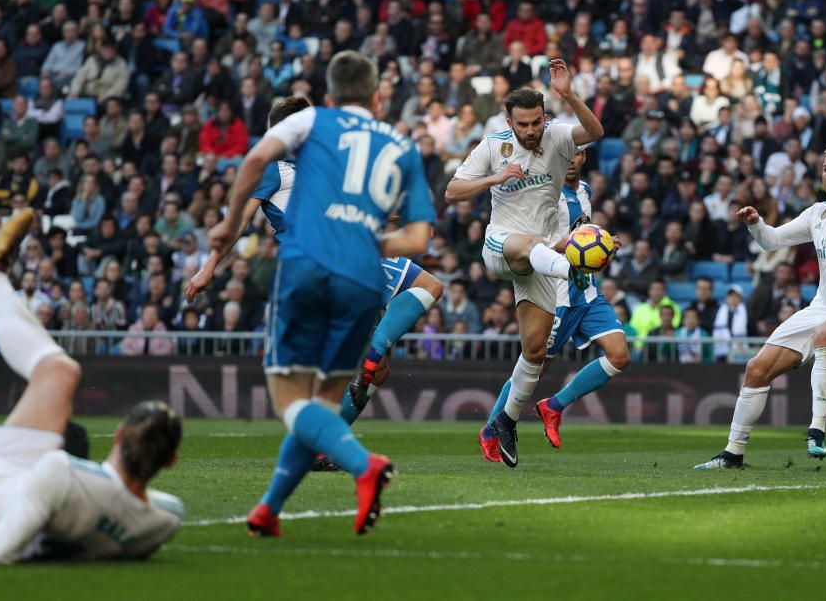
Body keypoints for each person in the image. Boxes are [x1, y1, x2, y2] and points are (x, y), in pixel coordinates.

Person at [207, 51, 434, 537]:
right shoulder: (400, 145)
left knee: (290, 399)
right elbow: (417, 241)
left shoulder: (311, 129)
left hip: (306, 267)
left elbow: (253, 161)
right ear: (376, 96)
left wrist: (226, 226)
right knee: (325, 402)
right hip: (361, 273)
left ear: (328, 98)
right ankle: (269, 507)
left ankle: (362, 464)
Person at [186, 96, 445, 461]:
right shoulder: (276, 169)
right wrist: (209, 265)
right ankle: (366, 362)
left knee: (378, 372)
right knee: (429, 288)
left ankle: (321, 450)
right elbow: (240, 221)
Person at [0, 209, 182, 564]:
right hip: (21, 478)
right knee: (60, 371)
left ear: (119, 435)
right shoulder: (166, 519)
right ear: (171, 461)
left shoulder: (60, 472)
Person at [695, 145, 826, 469]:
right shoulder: (816, 214)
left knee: (825, 334)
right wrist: (755, 223)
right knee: (756, 369)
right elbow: (772, 240)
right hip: (820, 307)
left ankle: (816, 429)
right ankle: (732, 454)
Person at [445, 58, 604, 468]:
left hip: (539, 259)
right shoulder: (493, 146)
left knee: (534, 350)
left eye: (536, 122)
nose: (531, 131)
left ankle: (505, 420)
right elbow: (452, 191)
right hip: (502, 246)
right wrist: (493, 180)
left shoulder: (558, 137)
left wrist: (569, 94)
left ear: (544, 117)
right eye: (524, 124)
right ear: (509, 120)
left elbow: (596, 132)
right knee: (534, 243)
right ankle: (573, 268)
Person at [480, 149, 628, 458]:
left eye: (577, 155)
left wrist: (601, 243)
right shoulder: (544, 192)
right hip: (556, 293)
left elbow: (583, 235)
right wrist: (575, 245)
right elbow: (535, 242)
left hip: (587, 292)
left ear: (585, 158)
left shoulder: (585, 190)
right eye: (566, 156)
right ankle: (492, 429)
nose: (571, 161)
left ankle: (553, 406)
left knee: (619, 355)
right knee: (535, 364)